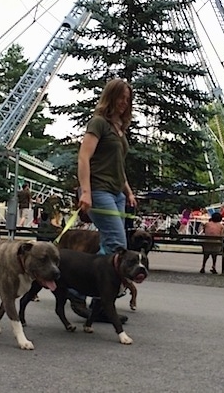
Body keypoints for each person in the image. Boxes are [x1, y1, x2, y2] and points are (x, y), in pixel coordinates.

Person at [75, 78, 137, 323]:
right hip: (98, 190)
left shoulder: (120, 128)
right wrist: (86, 192)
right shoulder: (98, 123)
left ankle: (98, 303)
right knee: (117, 245)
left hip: (116, 193)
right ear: (111, 97)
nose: (125, 102)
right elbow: (84, 157)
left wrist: (128, 191)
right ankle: (76, 292)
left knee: (107, 248)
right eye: (121, 97)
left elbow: (118, 167)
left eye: (128, 99)